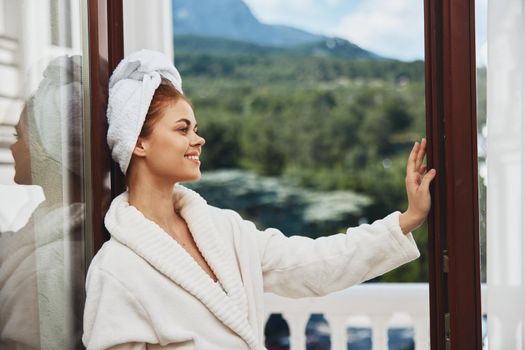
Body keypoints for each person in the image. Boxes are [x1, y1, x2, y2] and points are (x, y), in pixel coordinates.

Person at [82, 49, 437, 350]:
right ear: (138, 143)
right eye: (182, 129)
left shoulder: (225, 232)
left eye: (196, 128)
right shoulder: (116, 270)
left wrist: (407, 219)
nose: (199, 139)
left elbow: (314, 264)